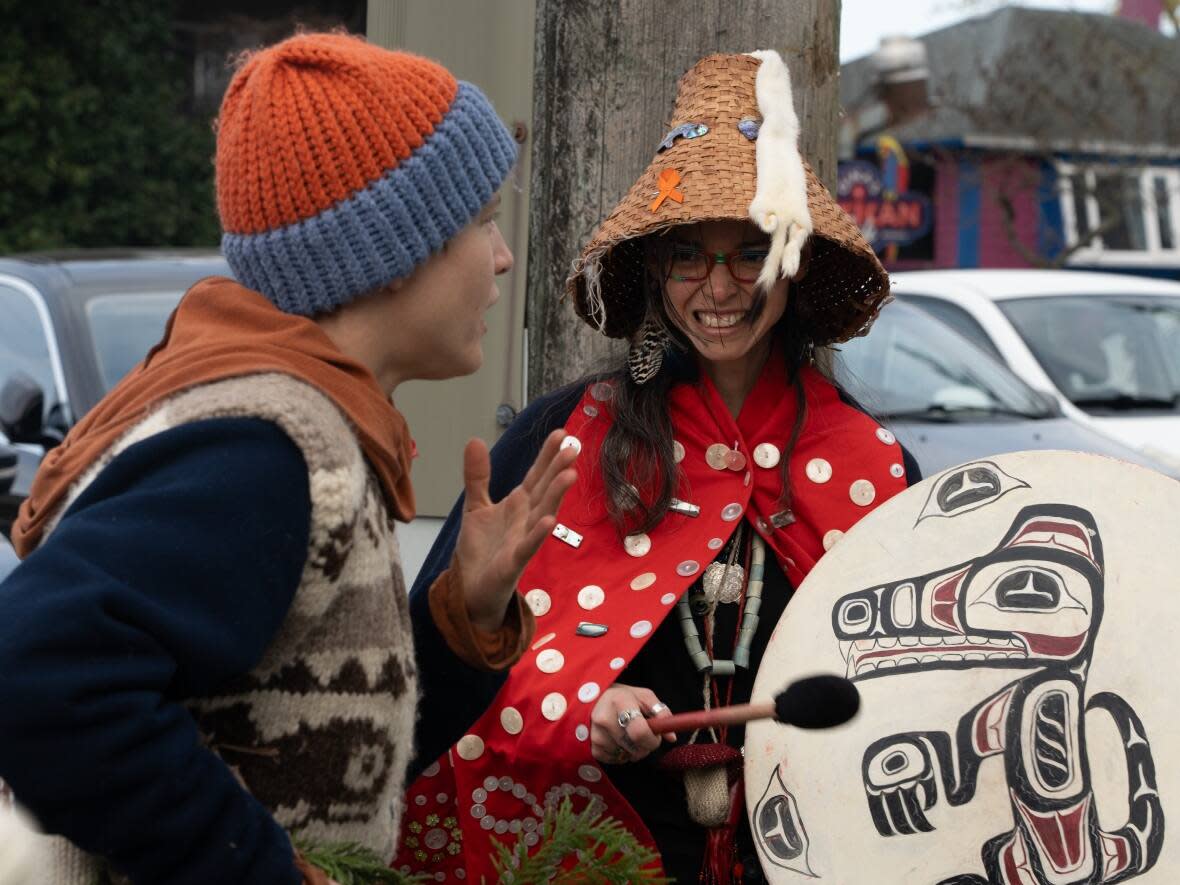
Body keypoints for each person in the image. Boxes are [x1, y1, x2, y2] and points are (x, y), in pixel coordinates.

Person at [0, 32, 576, 885]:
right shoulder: (269, 443)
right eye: (484, 221)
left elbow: (323, 751)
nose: (502, 256)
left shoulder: (314, 425)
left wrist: (464, 618)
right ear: (391, 252)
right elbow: (36, 668)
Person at [396, 51, 920, 883]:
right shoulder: (564, 438)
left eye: (750, 253)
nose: (718, 287)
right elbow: (446, 672)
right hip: (604, 851)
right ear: (654, 269)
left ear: (793, 262)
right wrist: (581, 707)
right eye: (687, 256)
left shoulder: (873, 464)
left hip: (815, 852)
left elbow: (921, 677)